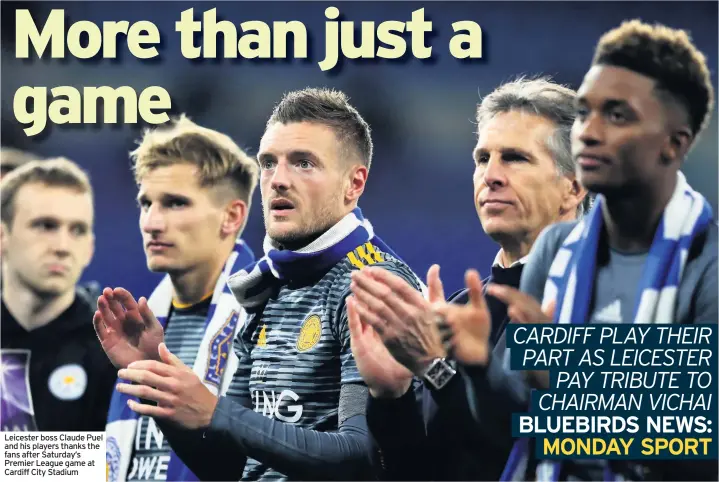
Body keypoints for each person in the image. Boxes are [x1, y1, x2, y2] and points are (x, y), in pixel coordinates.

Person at [96, 88, 424, 481]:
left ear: (353, 184)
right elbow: (227, 467)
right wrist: (155, 380)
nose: (278, 180)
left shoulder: (373, 287)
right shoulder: (268, 286)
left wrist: (216, 411)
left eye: (303, 163)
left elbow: (363, 456)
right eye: (268, 163)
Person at [441, 20, 717, 481]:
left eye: (618, 115)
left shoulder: (704, 266)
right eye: (586, 112)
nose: (589, 131)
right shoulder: (553, 251)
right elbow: (517, 430)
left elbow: (697, 445)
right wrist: (476, 368)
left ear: (673, 144)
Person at [348, 78, 589, 480]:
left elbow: (532, 458)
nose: (490, 175)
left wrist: (438, 370)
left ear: (574, 187)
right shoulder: (459, 313)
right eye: (482, 158)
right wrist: (393, 395)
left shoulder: (611, 302)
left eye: (514, 158)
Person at [98, 116, 258, 482]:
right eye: (146, 203)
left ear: (232, 216)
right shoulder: (136, 330)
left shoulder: (269, 321)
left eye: (175, 203)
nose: (152, 222)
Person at [1, 158, 114, 431]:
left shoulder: (113, 349)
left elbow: (116, 463)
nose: (63, 246)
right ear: (3, 236)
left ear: (90, 248)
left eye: (78, 230)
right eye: (45, 226)